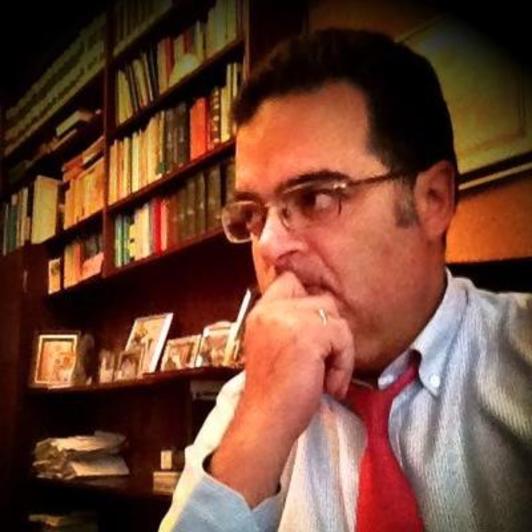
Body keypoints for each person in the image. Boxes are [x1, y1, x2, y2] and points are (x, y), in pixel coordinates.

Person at [159, 29, 532, 531]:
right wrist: (259, 429)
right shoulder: (247, 405)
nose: (268, 245)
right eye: (252, 213)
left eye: (315, 198)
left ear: (433, 200)